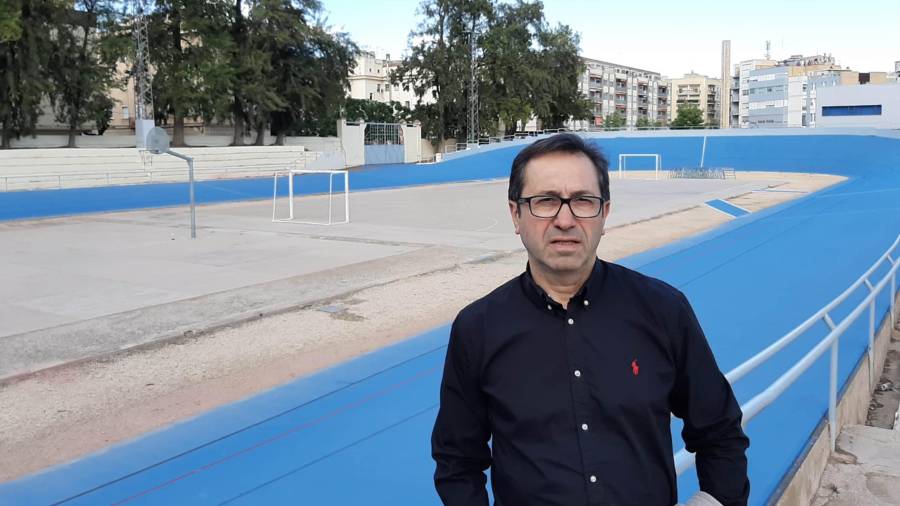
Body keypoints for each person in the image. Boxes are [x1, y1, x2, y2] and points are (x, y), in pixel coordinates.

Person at [431, 133, 749, 506]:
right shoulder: (478, 328)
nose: (565, 219)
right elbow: (457, 462)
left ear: (605, 213)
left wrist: (713, 501)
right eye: (545, 201)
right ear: (516, 214)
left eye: (582, 201)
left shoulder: (664, 310)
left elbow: (720, 432)